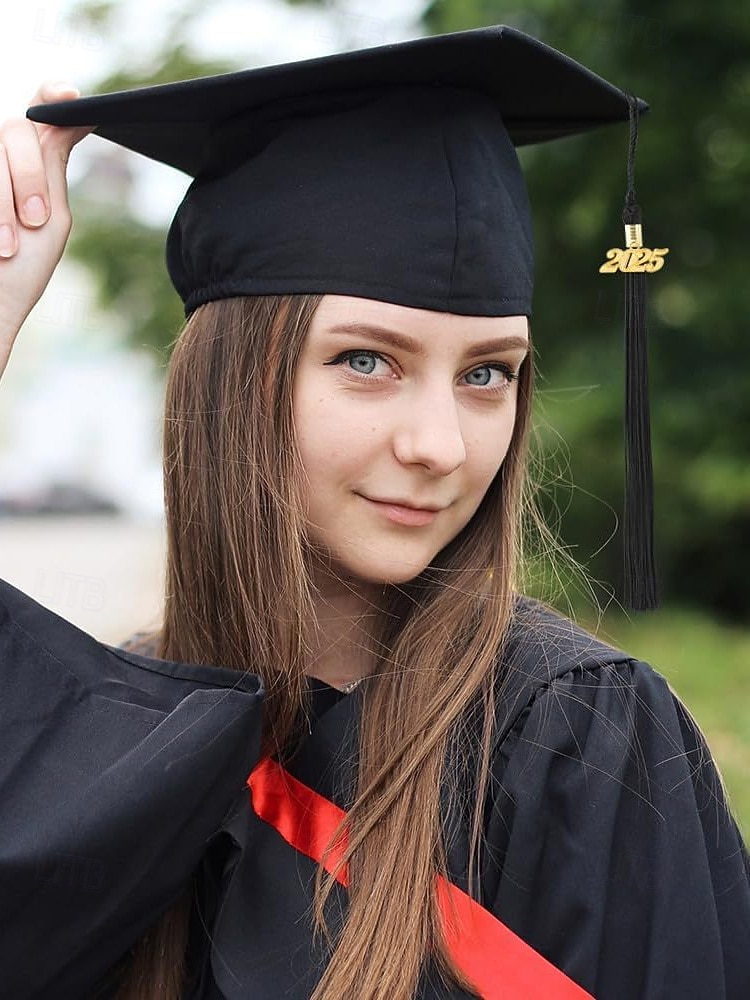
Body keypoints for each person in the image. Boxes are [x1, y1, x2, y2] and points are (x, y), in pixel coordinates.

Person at [0, 24, 748, 1000]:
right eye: (368, 360)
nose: (439, 443)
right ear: (231, 386)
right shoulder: (115, 737)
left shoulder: (576, 741)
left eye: (488, 373)